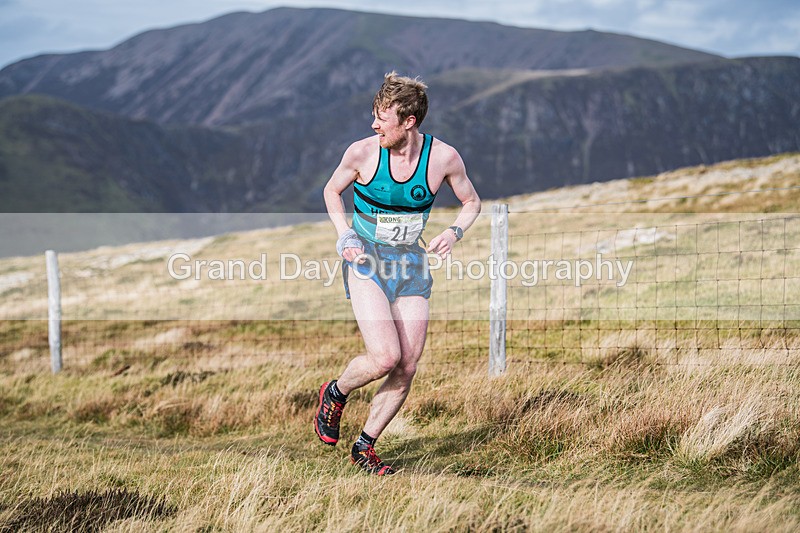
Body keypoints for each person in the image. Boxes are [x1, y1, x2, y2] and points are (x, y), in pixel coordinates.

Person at [316, 71, 481, 475]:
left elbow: (472, 200)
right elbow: (330, 191)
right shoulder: (362, 153)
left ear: (409, 121)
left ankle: (365, 447)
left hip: (410, 263)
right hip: (366, 260)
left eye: (382, 118)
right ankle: (336, 392)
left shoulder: (443, 157)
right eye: (374, 116)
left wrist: (454, 231)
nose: (374, 125)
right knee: (385, 356)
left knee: (407, 364)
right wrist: (345, 238)